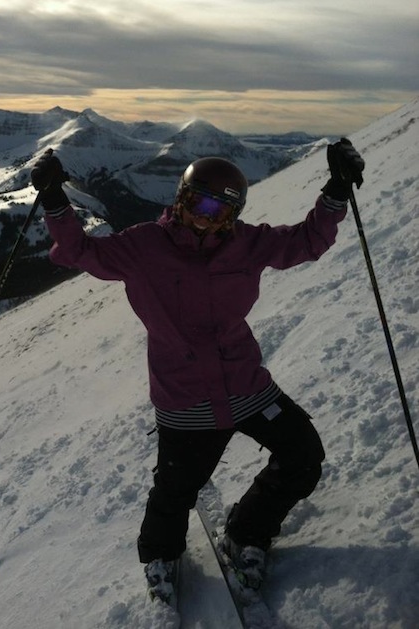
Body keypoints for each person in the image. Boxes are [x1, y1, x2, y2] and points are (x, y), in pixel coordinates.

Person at [30, 138, 364, 602]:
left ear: (234, 214)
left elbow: (307, 241)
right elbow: (79, 251)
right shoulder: (142, 246)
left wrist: (336, 191)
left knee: (303, 456)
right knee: (175, 491)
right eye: (201, 203)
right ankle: (160, 555)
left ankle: (246, 533)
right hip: (185, 398)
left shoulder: (246, 244)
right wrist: (53, 199)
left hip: (246, 386)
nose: (209, 216)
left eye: (222, 210)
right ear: (182, 199)